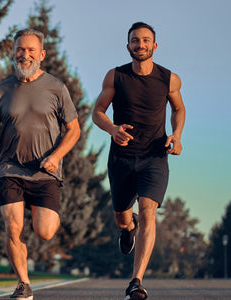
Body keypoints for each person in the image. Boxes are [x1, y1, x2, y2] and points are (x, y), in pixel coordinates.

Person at [0, 28, 80, 300]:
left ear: (41, 55)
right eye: (20, 50)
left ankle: (41, 213)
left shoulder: (56, 88)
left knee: (44, 232)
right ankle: (23, 284)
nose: (25, 55)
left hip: (46, 172)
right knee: (13, 228)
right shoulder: (2, 90)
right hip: (10, 169)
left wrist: (56, 157)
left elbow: (74, 130)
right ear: (13, 54)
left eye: (30, 50)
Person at [92, 22, 186, 300]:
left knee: (148, 211)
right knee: (123, 217)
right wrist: (112, 129)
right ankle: (127, 227)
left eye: (146, 40)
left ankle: (136, 281)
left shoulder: (169, 79)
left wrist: (177, 135)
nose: (140, 44)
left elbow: (178, 108)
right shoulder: (116, 76)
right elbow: (98, 111)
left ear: (154, 46)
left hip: (154, 157)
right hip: (121, 158)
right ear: (128, 46)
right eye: (135, 40)